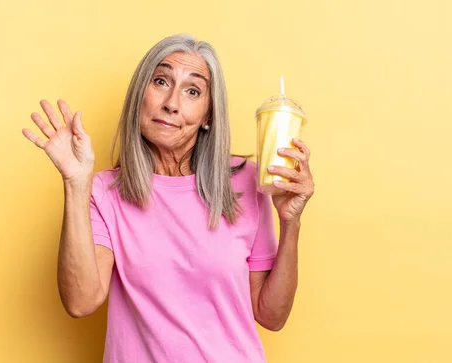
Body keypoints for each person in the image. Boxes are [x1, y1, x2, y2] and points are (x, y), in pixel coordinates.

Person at [21, 34, 315, 363]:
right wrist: (76, 183)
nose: (172, 103)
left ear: (208, 116)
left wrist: (291, 222)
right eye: (161, 81)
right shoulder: (105, 192)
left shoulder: (247, 181)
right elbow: (81, 301)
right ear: (139, 96)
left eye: (192, 91)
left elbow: (271, 316)